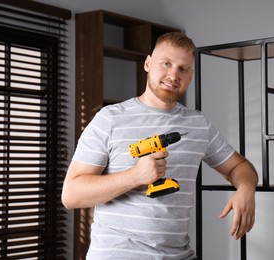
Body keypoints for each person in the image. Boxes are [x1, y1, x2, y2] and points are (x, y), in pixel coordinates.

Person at [62, 32, 258, 260]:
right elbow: (71, 195)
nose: (173, 75)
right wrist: (135, 176)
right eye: (166, 63)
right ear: (148, 63)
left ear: (190, 76)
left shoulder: (198, 125)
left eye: (183, 69)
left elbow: (239, 166)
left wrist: (246, 189)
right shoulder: (110, 119)